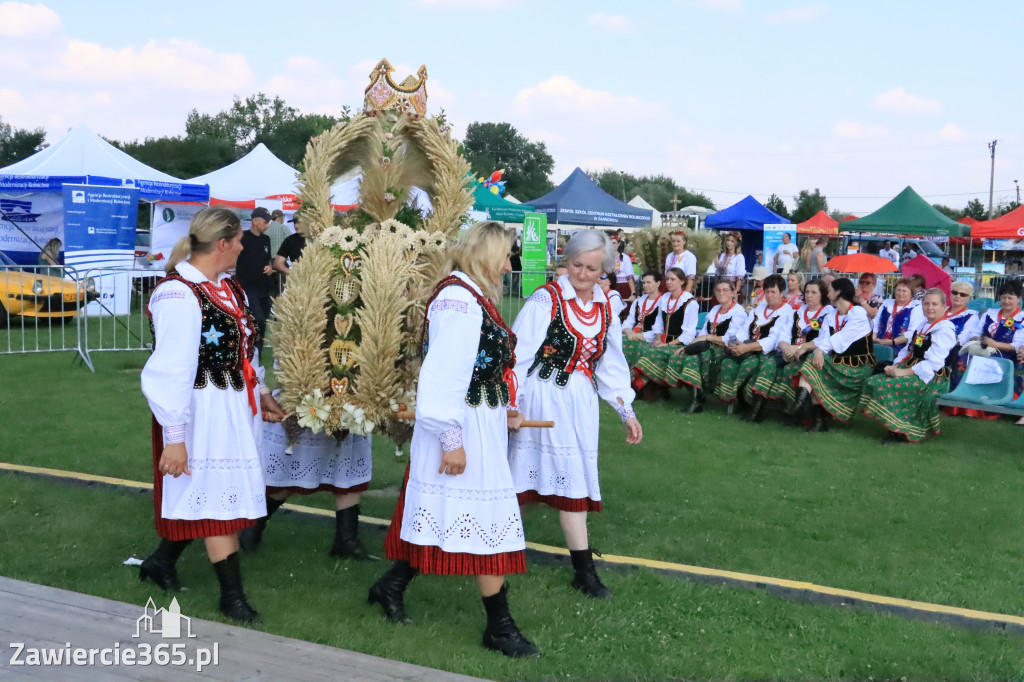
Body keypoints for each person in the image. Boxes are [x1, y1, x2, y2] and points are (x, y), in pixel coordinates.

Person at [368, 221, 538, 658]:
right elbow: (442, 377)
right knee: (484, 525)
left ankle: (391, 585)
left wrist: (503, 409)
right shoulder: (460, 301)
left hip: (477, 420)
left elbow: (482, 369)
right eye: (504, 256)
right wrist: (451, 439)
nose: (508, 266)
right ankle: (499, 627)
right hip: (460, 427)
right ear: (485, 255)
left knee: (446, 512)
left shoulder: (468, 295)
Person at [138, 207, 286, 623]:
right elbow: (171, 369)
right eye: (239, 240)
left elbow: (243, 355)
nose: (243, 247)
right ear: (223, 244)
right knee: (216, 497)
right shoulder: (179, 292)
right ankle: (231, 595)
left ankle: (160, 563)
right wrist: (175, 436)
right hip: (199, 408)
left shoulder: (228, 288)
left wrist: (260, 391)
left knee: (216, 491)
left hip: (232, 405)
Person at [507, 229, 642, 600]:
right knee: (529, 481)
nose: (582, 274)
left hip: (579, 403)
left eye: (592, 268)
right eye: (576, 265)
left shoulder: (605, 307)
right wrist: (511, 404)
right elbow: (516, 357)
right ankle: (500, 553)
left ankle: (580, 571)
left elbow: (610, 366)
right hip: (541, 397)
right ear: (566, 261)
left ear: (605, 271)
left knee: (571, 483)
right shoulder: (546, 300)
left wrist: (625, 411)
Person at [241, 415, 373, 560]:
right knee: (293, 467)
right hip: (306, 407)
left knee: (347, 467)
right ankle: (251, 527)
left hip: (348, 407)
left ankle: (347, 539)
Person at [860, 288, 957, 444]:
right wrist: (896, 365)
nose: (930, 308)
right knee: (873, 381)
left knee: (886, 386)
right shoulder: (923, 325)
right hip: (910, 368)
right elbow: (908, 349)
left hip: (931, 377)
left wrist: (903, 373)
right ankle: (893, 426)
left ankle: (899, 431)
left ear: (944, 307)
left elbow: (934, 364)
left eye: (934, 304)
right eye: (926, 304)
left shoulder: (944, 330)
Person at [788, 277, 875, 432]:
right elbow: (822, 340)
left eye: (830, 289)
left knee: (813, 364)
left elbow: (841, 338)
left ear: (838, 292)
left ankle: (800, 406)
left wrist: (819, 351)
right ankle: (815, 418)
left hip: (857, 366)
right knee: (814, 366)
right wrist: (802, 347)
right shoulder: (832, 315)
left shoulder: (858, 313)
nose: (827, 293)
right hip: (837, 362)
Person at [714, 274, 795, 416]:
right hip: (747, 348)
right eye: (767, 292)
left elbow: (773, 339)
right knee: (728, 362)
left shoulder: (787, 312)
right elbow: (744, 330)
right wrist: (736, 344)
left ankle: (750, 405)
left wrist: (746, 348)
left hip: (766, 352)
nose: (769, 296)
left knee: (749, 364)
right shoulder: (758, 309)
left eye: (773, 292)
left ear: (782, 293)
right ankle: (735, 400)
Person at [749, 279, 831, 418]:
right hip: (790, 353)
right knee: (769, 364)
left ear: (822, 295)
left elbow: (824, 339)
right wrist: (786, 348)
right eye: (807, 292)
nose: (809, 295)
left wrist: (798, 348)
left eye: (813, 292)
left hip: (809, 354)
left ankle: (797, 412)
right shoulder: (796, 312)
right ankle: (756, 410)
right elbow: (784, 334)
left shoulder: (827, 313)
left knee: (789, 370)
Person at [674, 278, 747, 413]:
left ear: (733, 292)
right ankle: (697, 395)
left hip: (725, 350)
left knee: (693, 359)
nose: (721, 293)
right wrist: (687, 347)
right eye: (718, 290)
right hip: (707, 346)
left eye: (725, 290)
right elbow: (702, 334)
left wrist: (709, 337)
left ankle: (696, 400)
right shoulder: (714, 309)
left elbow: (731, 340)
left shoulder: (738, 312)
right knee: (684, 355)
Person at [632, 267, 699, 391]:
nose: (668, 282)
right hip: (664, 342)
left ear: (682, 281)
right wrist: (658, 340)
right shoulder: (665, 298)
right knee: (643, 348)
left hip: (680, 344)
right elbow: (658, 323)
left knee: (652, 353)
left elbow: (688, 335)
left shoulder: (690, 302)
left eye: (673, 279)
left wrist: (667, 344)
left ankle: (641, 385)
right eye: (667, 279)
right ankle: (651, 388)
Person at [956, 279, 1024, 396]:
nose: (1006, 301)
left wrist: (996, 344)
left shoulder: (1021, 318)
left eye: (1010, 298)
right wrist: (980, 339)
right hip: (984, 349)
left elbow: (1018, 345)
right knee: (964, 358)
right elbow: (974, 332)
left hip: (1008, 354)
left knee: (991, 361)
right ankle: (962, 395)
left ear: (1019, 299)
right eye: (1003, 297)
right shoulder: (989, 313)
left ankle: (991, 397)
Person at [235, 207, 275, 350]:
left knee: (264, 323)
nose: (267, 225)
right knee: (258, 320)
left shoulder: (266, 239)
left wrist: (270, 267)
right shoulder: (242, 238)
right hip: (248, 287)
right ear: (255, 221)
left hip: (264, 287)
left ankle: (257, 352)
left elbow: (268, 260)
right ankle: (249, 350)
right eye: (265, 222)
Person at [622, 271, 664, 366]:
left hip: (650, 338)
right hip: (633, 335)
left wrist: (638, 336)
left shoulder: (663, 302)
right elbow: (628, 322)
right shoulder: (638, 301)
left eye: (648, 282)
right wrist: (629, 332)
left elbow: (661, 329)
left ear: (658, 283)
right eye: (643, 283)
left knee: (629, 346)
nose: (645, 285)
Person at [874, 278, 923, 357]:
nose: (900, 293)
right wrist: (875, 339)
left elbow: (913, 332)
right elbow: (875, 323)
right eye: (898, 290)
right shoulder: (887, 303)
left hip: (901, 347)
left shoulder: (916, 307)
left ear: (911, 293)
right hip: (880, 342)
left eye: (904, 291)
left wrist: (892, 342)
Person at [946, 280, 980, 389]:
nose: (958, 296)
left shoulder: (971, 316)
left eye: (963, 294)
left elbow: (962, 338)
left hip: (953, 349)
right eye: (954, 292)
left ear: (968, 298)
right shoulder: (940, 310)